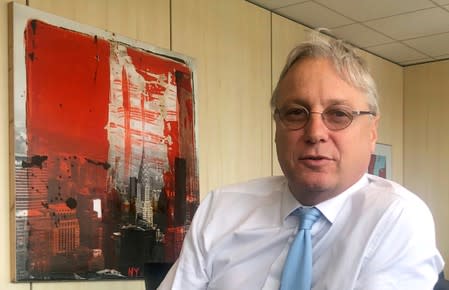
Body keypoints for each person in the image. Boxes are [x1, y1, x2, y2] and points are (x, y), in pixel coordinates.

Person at [158, 32, 444, 289]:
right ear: (276, 128)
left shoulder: (397, 217)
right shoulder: (220, 209)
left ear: (372, 132)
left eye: (339, 114)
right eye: (296, 112)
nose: (315, 133)